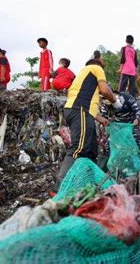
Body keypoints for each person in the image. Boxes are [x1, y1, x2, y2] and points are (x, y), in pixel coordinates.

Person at [56, 58, 121, 188]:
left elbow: (90, 105)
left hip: (80, 112)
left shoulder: (83, 79)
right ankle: (60, 185)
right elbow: (105, 90)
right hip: (80, 110)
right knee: (79, 149)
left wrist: (102, 119)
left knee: (91, 149)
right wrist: (115, 102)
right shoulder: (96, 68)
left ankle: (87, 183)